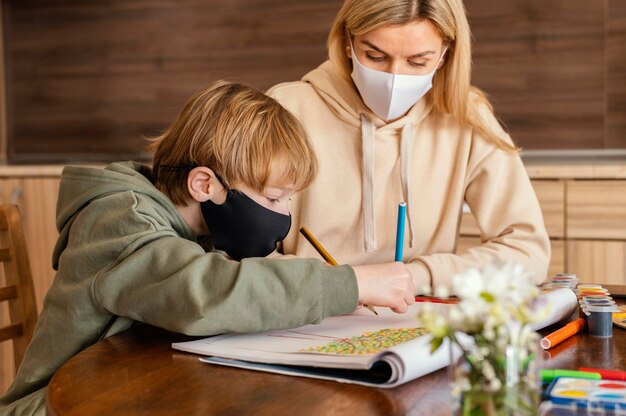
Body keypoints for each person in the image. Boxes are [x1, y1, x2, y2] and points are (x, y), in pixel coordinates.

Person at [0, 81, 415, 415]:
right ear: (205, 184)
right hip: (53, 405)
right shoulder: (121, 222)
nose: (284, 216)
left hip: (135, 389)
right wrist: (349, 283)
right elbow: (204, 293)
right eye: (274, 199)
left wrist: (319, 298)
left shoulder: (194, 226)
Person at [268, 0, 550, 292]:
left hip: (418, 315)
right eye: (375, 56)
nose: (394, 77)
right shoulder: (285, 110)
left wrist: (417, 277)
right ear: (347, 42)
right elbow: (236, 258)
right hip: (307, 318)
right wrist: (345, 286)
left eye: (418, 62)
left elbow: (528, 253)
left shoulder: (466, 118)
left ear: (444, 55)